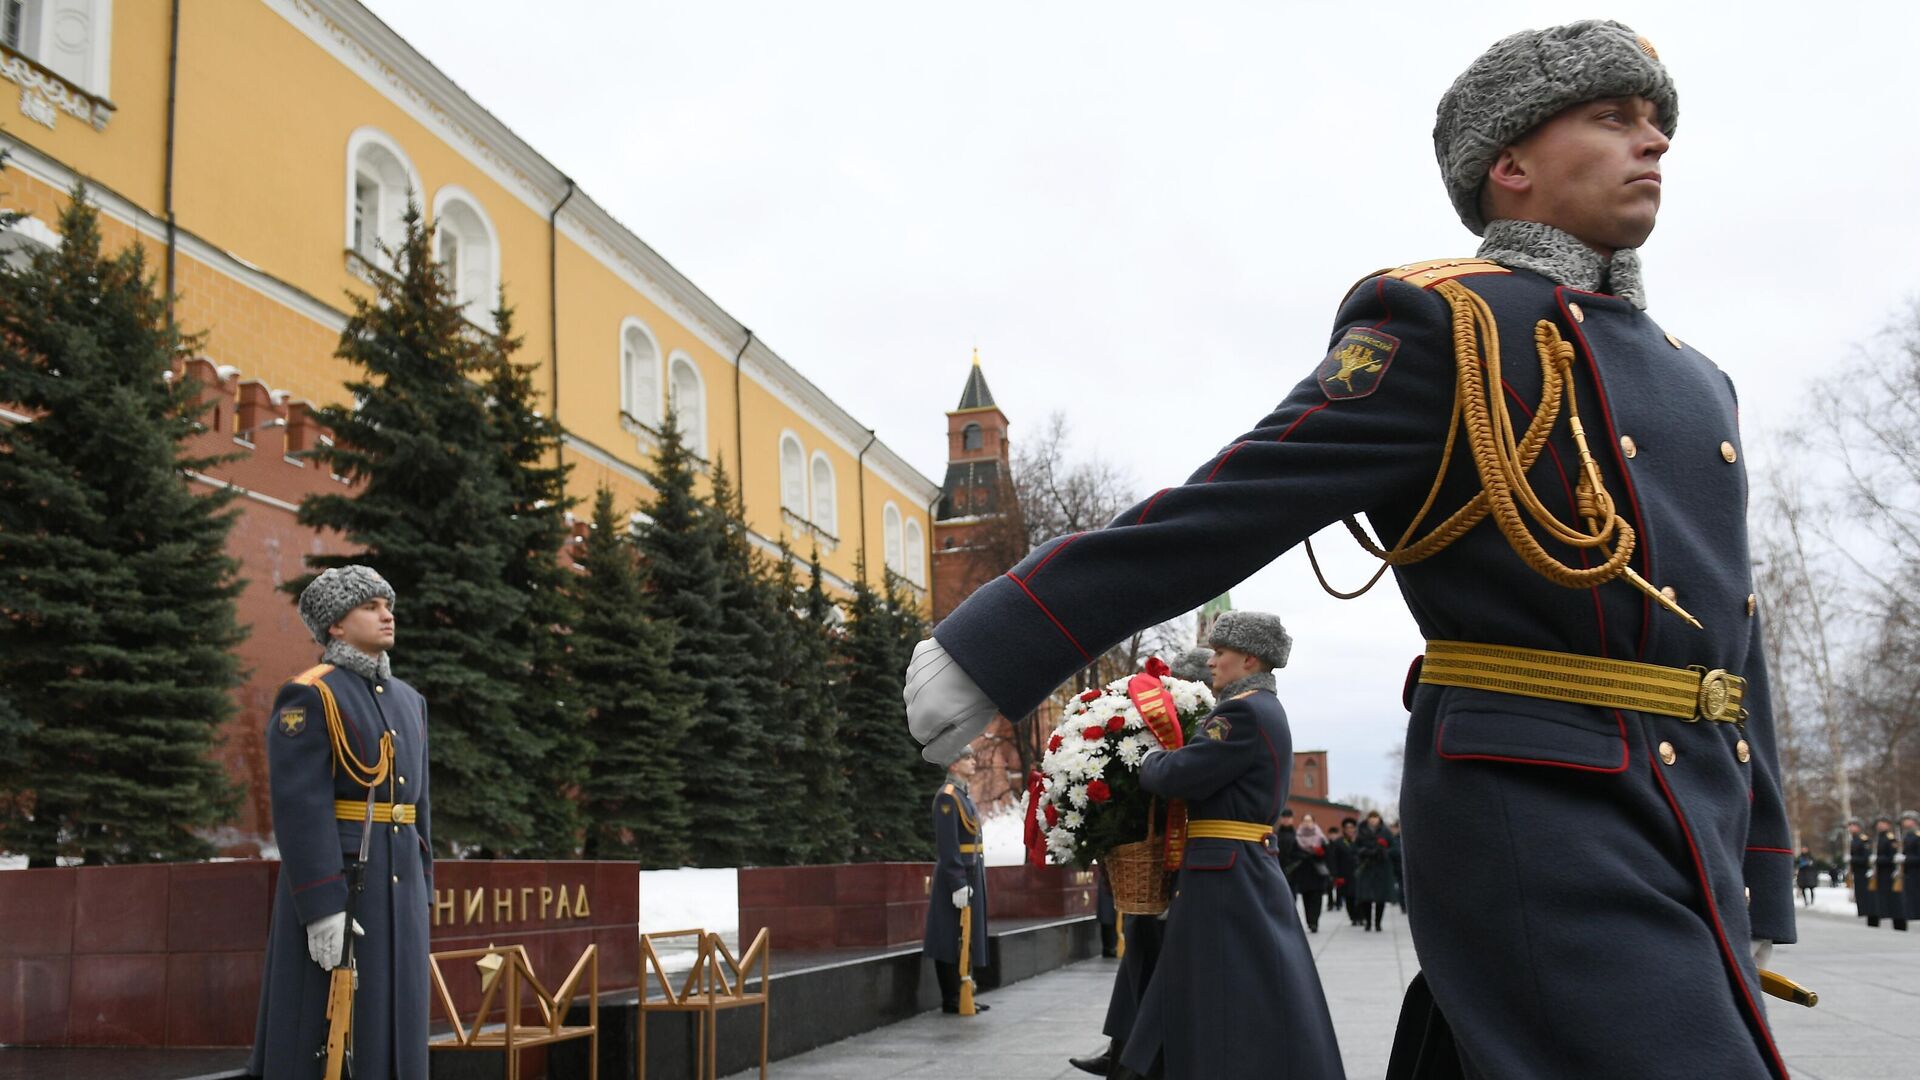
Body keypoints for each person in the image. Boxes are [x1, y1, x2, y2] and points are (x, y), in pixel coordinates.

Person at [906, 20, 1797, 1078]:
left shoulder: (1702, 379)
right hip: (1539, 806)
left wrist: (1762, 864)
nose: (1652, 143)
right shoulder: (1447, 324)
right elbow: (1242, 497)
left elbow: (1730, 649)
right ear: (1508, 164)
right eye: (1614, 119)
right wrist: (1009, 633)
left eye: (1658, 125)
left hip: (1688, 806)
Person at [1112, 612, 1343, 1079]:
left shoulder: (1241, 711)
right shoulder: (1260, 707)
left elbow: (1182, 775)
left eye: (1220, 654)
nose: (1212, 662)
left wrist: (1149, 756)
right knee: (1214, 978)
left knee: (1224, 987)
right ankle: (1143, 1062)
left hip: (1224, 870)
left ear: (1249, 659)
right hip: (1233, 865)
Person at [248, 566, 433, 1080]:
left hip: (399, 887)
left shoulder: (408, 700)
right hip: (346, 886)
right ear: (334, 625)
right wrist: (322, 906)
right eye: (370, 606)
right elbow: (300, 806)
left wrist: (425, 888)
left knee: (397, 1021)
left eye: (387, 604)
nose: (386, 614)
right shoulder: (310, 694)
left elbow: (417, 808)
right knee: (334, 1033)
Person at [1069, 647, 1215, 1078]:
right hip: (1152, 859)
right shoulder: (1165, 728)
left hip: (1187, 864)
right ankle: (1122, 1051)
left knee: (1158, 962)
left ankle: (1138, 1059)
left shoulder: (1210, 727)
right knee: (1140, 949)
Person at [924, 750, 990, 1014]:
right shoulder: (948, 798)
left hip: (970, 870)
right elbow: (948, 845)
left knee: (966, 935)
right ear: (953, 763)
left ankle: (965, 990)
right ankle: (952, 997)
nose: (973, 762)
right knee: (950, 935)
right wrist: (957, 881)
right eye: (967, 758)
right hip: (958, 874)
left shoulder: (962, 795)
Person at [1353, 810, 1396, 932]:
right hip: (1366, 867)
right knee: (1366, 897)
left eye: (1375, 817)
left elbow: (1394, 848)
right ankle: (1368, 922)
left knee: (1380, 898)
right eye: (1371, 817)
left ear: (1379, 819)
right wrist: (1363, 852)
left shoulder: (1385, 832)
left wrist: (1384, 852)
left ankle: (1378, 923)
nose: (1373, 820)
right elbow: (1355, 847)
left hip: (1381, 868)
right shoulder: (1361, 832)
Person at [1292, 813, 1332, 932]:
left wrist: (1320, 853)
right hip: (1304, 872)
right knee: (1306, 898)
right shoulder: (1298, 837)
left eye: (1309, 821)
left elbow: (1327, 854)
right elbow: (1293, 853)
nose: (1307, 823)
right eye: (1305, 821)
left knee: (1317, 898)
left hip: (1317, 872)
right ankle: (1310, 921)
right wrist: (1305, 855)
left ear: (1314, 822)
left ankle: (1315, 921)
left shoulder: (1320, 837)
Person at [1867, 816, 1906, 931]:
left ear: (1888, 825)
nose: (1880, 825)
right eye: (1879, 823)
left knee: (1895, 900)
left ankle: (1899, 924)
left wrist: (1877, 859)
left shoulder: (1890, 839)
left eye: (1883, 823)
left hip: (1889, 875)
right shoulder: (1878, 838)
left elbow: (1891, 858)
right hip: (1879, 874)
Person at [1330, 817, 1361, 926]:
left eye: (1352, 827)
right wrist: (1335, 875)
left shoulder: (1360, 841)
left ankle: (1360, 916)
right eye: (1347, 827)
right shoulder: (1339, 843)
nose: (1350, 830)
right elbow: (1334, 860)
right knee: (1349, 897)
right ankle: (1353, 917)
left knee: (1360, 896)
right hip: (1345, 875)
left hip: (1359, 874)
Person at [1847, 818, 1871, 918]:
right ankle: (1861, 910)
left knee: (1864, 892)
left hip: (1863, 870)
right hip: (1856, 870)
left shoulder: (1863, 840)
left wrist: (1853, 859)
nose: (1850, 828)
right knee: (1859, 892)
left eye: (1853, 826)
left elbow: (1866, 857)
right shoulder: (1854, 840)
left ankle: (1866, 910)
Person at [1902, 812, 1920, 925]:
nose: (1904, 822)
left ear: (1914, 821)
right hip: (1908, 872)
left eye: (1907, 819)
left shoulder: (1918, 836)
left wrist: (1906, 859)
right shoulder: (1907, 836)